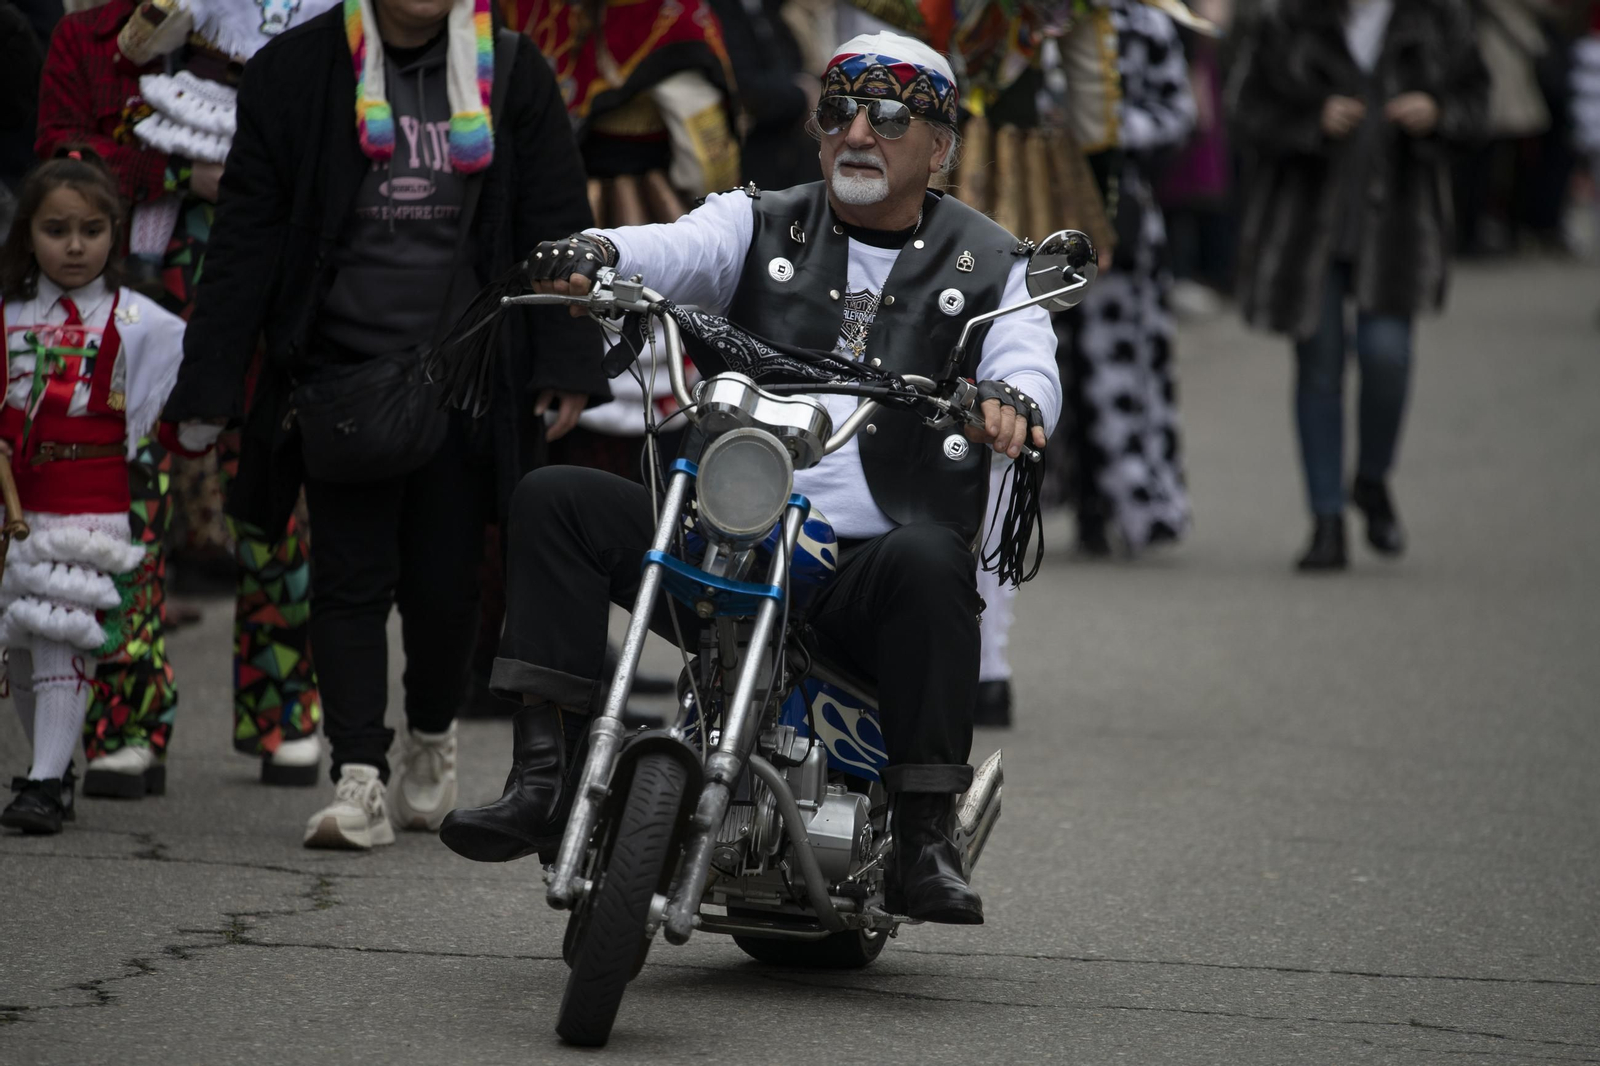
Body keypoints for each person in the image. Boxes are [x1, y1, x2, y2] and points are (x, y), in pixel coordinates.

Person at [441, 31, 1062, 924]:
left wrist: (1013, 398)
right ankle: (545, 776)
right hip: (731, 530)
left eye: (890, 118)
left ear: (942, 145)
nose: (858, 134)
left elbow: (1028, 357)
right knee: (556, 500)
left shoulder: (993, 261)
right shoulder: (758, 217)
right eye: (838, 112)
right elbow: (674, 247)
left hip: (862, 570)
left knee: (933, 557)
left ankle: (925, 837)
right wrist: (598, 254)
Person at [164, 0, 605, 849]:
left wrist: (564, 364)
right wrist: (211, 383)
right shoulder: (295, 71)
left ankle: (432, 739)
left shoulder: (510, 68)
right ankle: (358, 775)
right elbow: (248, 233)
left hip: (465, 380)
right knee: (348, 579)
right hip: (340, 379)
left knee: (444, 591)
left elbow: (555, 219)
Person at [1230, 0, 1488, 570]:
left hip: (1398, 224)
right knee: (1319, 364)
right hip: (1305, 227)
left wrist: (1438, 111)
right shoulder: (1286, 19)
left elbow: (1480, 102)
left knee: (1386, 354)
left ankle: (1371, 480)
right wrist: (1308, 121)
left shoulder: (1439, 18)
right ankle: (1326, 521)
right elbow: (1244, 111)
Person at [0, 149, 192, 834]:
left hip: (91, 495)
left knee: (61, 632)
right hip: (15, 500)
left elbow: (182, 402)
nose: (75, 245)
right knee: (21, 638)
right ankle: (52, 769)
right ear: (28, 234)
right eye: (56, 230)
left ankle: (46, 780)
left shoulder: (145, 321)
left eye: (91, 229)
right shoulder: (10, 313)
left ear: (115, 231)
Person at [1060, 0, 1196, 557]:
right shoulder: (1030, 21)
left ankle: (1125, 498)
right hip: (1036, 209)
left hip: (1123, 219)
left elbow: (1178, 112)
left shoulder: (1146, 23)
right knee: (1049, 362)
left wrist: (1111, 130)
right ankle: (1045, 501)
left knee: (1123, 364)